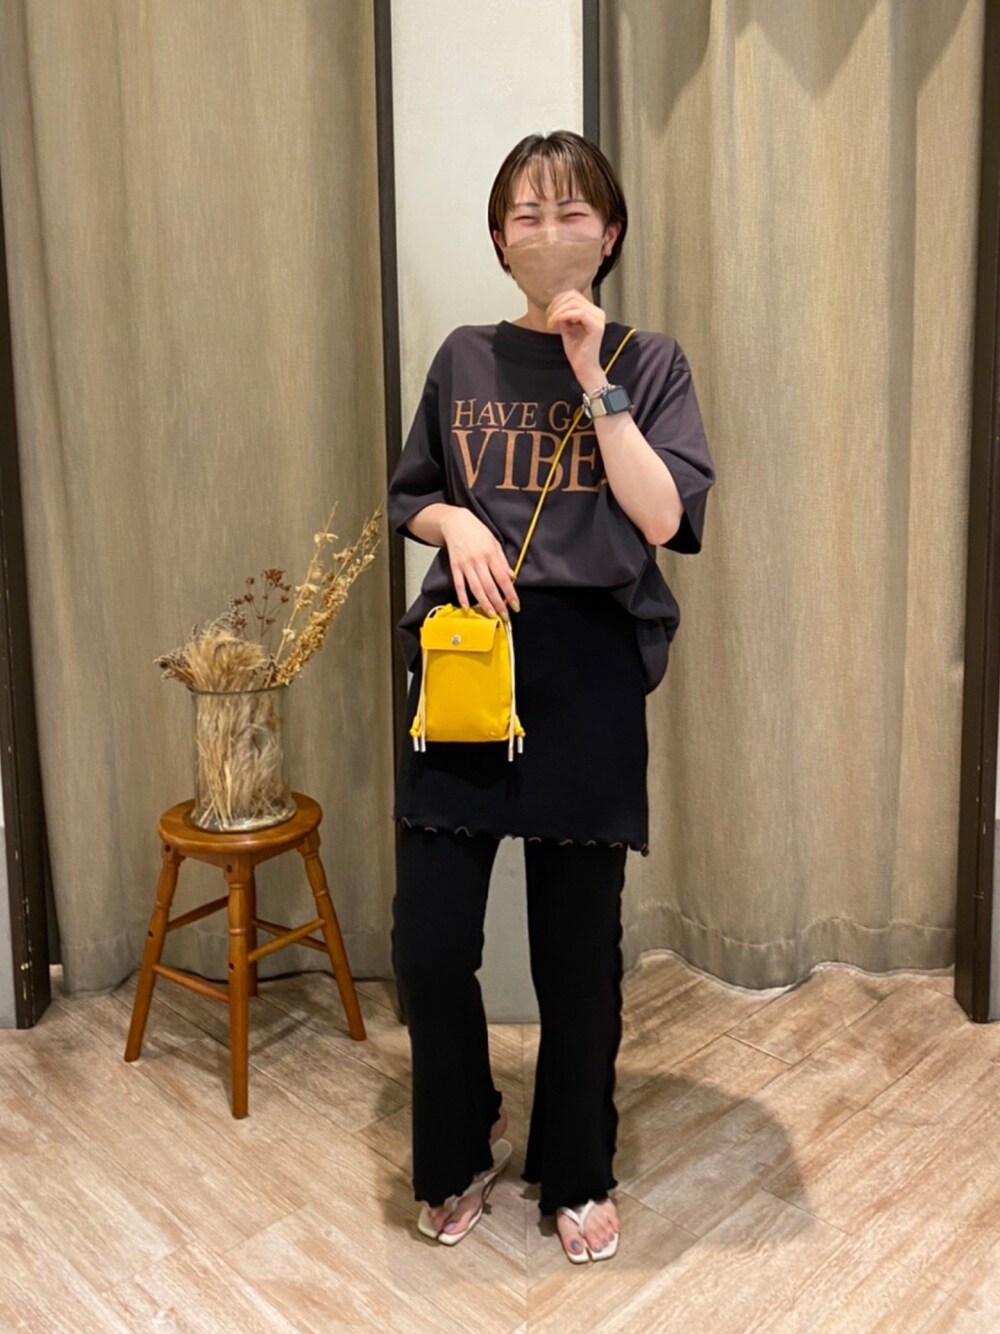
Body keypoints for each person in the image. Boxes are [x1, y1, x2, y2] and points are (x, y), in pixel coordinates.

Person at [386, 130, 715, 1264]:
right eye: (526, 214)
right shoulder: (463, 357)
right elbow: (413, 495)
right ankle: (461, 1132)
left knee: (577, 951)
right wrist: (456, 521)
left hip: (586, 667)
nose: (548, 230)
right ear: (497, 238)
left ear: (608, 232)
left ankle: (575, 1165)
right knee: (430, 943)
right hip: (469, 656)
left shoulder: (650, 361)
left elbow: (662, 517)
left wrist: (594, 378)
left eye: (572, 211)